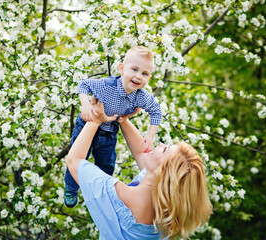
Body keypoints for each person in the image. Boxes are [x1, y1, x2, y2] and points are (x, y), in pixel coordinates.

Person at [65, 97, 213, 239]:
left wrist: (95, 120)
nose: (160, 145)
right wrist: (123, 120)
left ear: (162, 172)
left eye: (165, 149)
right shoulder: (166, 217)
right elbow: (142, 152)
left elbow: (73, 161)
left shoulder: (117, 195)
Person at [64, 46, 162, 207]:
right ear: (122, 69)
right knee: (79, 159)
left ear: (149, 78)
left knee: (107, 164)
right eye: (134, 69)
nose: (138, 76)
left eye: (144, 73)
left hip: (109, 131)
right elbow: (83, 85)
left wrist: (150, 136)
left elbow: (156, 111)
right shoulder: (106, 85)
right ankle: (71, 188)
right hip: (88, 125)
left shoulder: (141, 96)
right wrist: (85, 106)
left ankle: (101, 194)